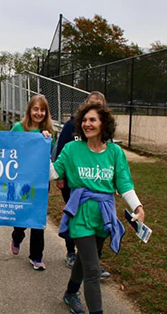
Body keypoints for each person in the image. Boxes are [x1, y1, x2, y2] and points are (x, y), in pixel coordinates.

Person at [50, 100, 145, 314]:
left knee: (85, 261)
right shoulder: (72, 149)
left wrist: (137, 207)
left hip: (105, 216)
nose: (87, 124)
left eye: (92, 119)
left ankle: (70, 292)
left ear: (104, 123)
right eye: (84, 120)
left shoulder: (115, 153)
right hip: (81, 215)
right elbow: (54, 173)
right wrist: (40, 151)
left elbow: (124, 183)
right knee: (93, 270)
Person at [55, 91, 111, 279]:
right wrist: (59, 175)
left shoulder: (111, 148)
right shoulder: (72, 131)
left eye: (99, 105)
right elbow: (60, 153)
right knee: (75, 219)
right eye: (91, 104)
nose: (89, 123)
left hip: (98, 195)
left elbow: (109, 164)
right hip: (75, 188)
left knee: (95, 232)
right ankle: (73, 253)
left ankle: (87, 268)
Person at [9, 94, 55, 271]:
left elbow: (50, 156)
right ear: (29, 110)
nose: (39, 113)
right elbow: (8, 148)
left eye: (42, 110)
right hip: (22, 180)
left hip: (40, 182)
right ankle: (17, 236)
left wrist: (46, 140)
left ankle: (36, 256)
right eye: (36, 109)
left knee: (38, 219)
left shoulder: (47, 132)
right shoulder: (19, 128)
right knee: (22, 215)